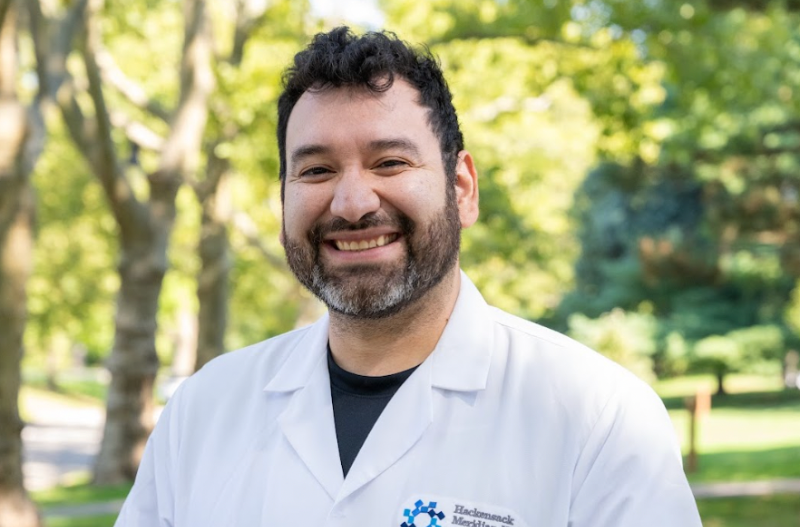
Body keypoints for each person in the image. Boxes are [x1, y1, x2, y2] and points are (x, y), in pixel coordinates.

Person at [115, 27, 702, 527]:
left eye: (390, 162)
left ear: (461, 188)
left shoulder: (599, 417)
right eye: (315, 170)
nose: (351, 203)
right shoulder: (202, 412)